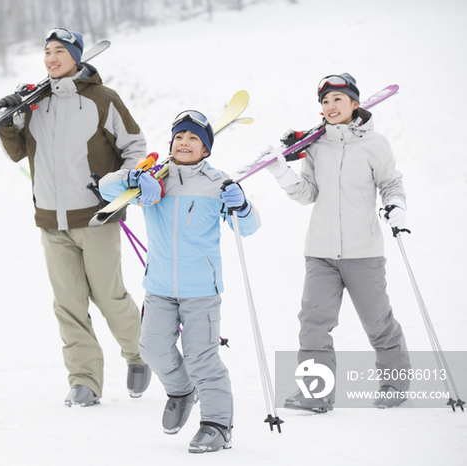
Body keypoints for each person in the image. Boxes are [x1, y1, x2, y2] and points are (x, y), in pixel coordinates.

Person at [0, 28, 151, 407]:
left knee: (109, 296)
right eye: (46, 51)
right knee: (67, 304)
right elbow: (17, 153)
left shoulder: (103, 99)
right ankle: (84, 381)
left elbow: (135, 148)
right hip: (51, 219)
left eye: (59, 51)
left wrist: (118, 185)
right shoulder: (35, 102)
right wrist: (8, 122)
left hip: (96, 217)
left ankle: (139, 354)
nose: (51, 57)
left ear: (76, 56)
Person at [100, 110, 261, 453]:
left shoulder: (219, 182)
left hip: (201, 289)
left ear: (206, 150)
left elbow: (248, 227)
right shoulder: (155, 178)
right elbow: (105, 187)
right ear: (170, 144)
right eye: (179, 138)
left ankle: (218, 424)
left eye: (194, 139)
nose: (185, 143)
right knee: (151, 348)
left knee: (202, 357)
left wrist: (242, 205)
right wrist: (133, 178)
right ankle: (182, 390)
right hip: (158, 286)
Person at [266, 73, 411, 412]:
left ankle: (394, 384)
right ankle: (315, 393)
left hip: (363, 252)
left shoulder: (375, 144)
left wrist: (397, 205)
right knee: (313, 322)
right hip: (320, 252)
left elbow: (391, 182)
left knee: (378, 323)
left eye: (337, 100)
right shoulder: (316, 145)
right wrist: (281, 173)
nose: (330, 107)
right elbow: (308, 194)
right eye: (325, 101)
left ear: (355, 104)